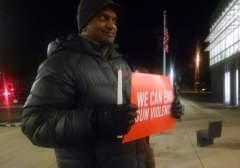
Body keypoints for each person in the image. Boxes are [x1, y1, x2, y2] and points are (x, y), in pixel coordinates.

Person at [21, 0, 184, 168]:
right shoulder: (61, 63)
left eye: (114, 20)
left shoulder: (121, 64)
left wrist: (166, 109)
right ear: (84, 24)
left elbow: (135, 110)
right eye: (103, 18)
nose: (111, 25)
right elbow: (34, 123)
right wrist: (99, 120)